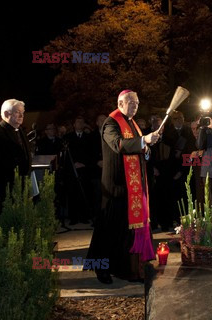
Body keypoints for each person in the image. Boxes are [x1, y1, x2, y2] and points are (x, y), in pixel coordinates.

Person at [87, 90, 159, 284]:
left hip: (133, 186)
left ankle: (128, 269)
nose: (135, 106)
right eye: (131, 102)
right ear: (120, 103)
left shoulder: (132, 123)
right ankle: (100, 268)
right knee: (107, 230)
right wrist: (144, 140)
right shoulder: (110, 123)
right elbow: (119, 144)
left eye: (137, 102)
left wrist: (147, 147)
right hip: (115, 186)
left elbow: (140, 148)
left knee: (125, 231)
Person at [0, 99, 32, 234]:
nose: (21, 116)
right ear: (6, 113)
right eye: (17, 112)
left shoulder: (19, 131)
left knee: (16, 229)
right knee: (1, 230)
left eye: (22, 113)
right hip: (1, 193)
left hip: (19, 190)